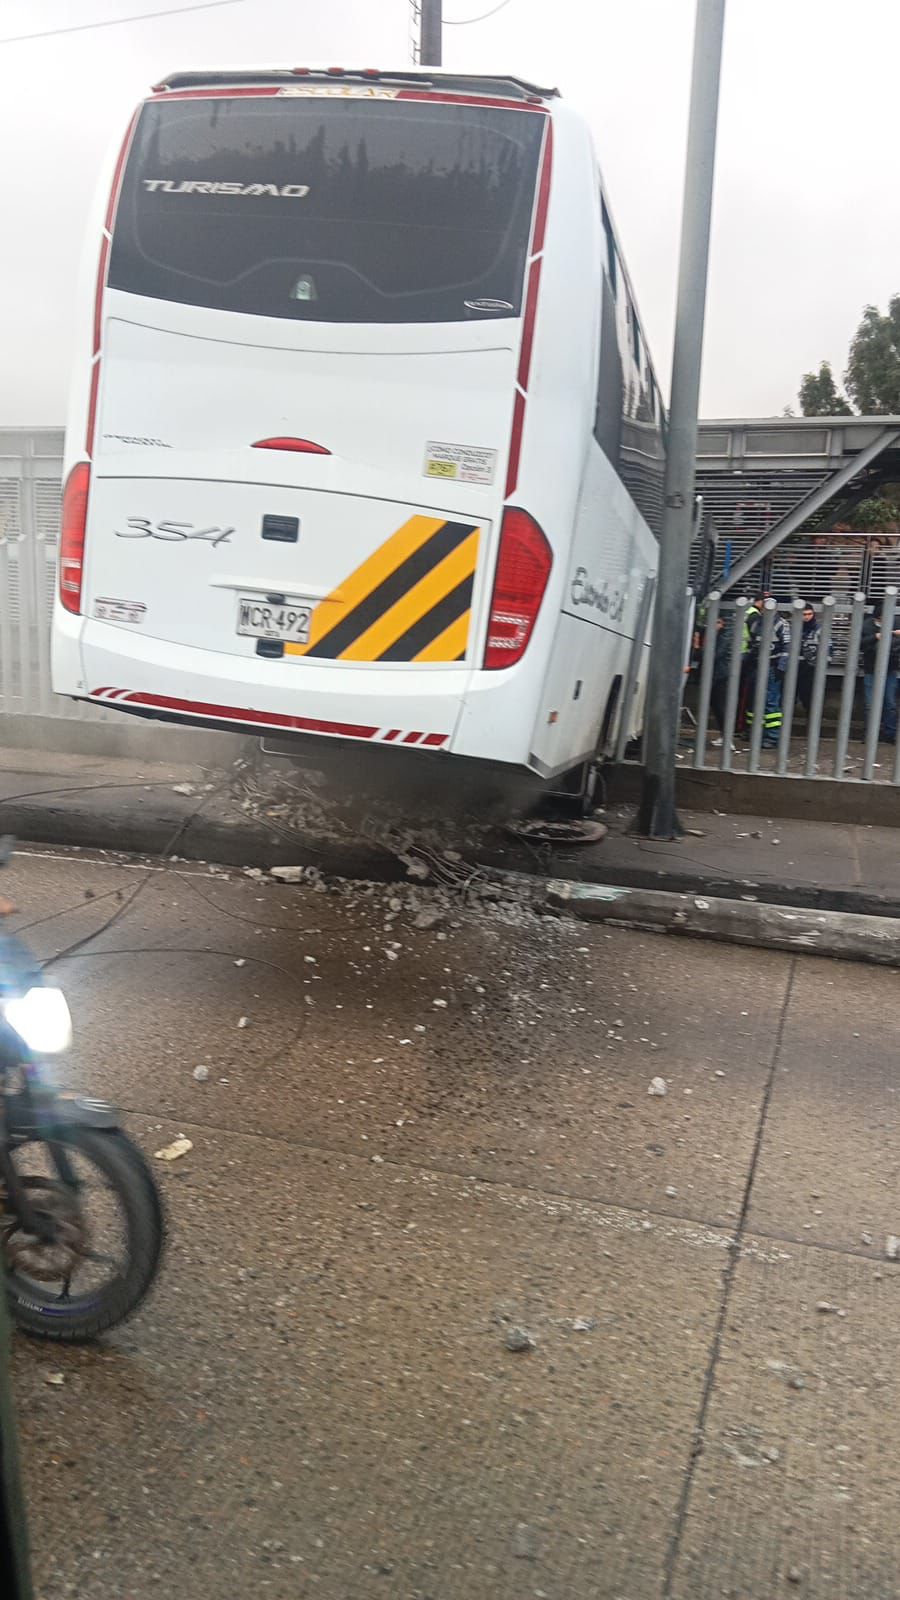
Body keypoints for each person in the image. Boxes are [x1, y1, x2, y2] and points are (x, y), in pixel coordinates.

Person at [745, 594, 791, 749]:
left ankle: (772, 737)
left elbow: (787, 647)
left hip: (773, 665)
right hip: (758, 665)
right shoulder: (757, 623)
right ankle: (753, 732)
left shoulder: (781, 624)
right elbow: (753, 643)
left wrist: (781, 667)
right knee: (755, 700)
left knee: (771, 702)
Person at [861, 609, 900, 743]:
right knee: (870, 705)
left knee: (890, 703)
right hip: (871, 669)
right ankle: (870, 734)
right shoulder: (867, 625)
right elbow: (861, 644)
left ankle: (890, 734)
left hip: (890, 668)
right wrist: (875, 637)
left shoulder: (895, 622)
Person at [796, 603, 821, 715]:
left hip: (811, 669)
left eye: (809, 614)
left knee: (809, 699)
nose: (807, 617)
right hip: (795, 667)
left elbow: (828, 649)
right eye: (804, 614)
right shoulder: (795, 628)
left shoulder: (819, 630)